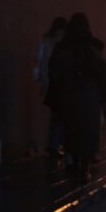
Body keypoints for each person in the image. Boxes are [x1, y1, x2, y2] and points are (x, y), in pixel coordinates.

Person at [45, 13, 106, 183]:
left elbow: (55, 73)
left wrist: (57, 94)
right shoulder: (93, 49)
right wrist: (105, 95)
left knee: (71, 131)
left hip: (69, 96)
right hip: (89, 96)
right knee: (88, 132)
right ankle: (84, 168)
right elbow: (104, 74)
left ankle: (73, 163)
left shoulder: (63, 50)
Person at [34, 17, 67, 158]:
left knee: (55, 115)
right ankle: (57, 144)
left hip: (49, 83)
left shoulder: (45, 42)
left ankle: (53, 145)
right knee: (62, 116)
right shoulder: (63, 43)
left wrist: (40, 80)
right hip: (60, 84)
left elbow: (39, 61)